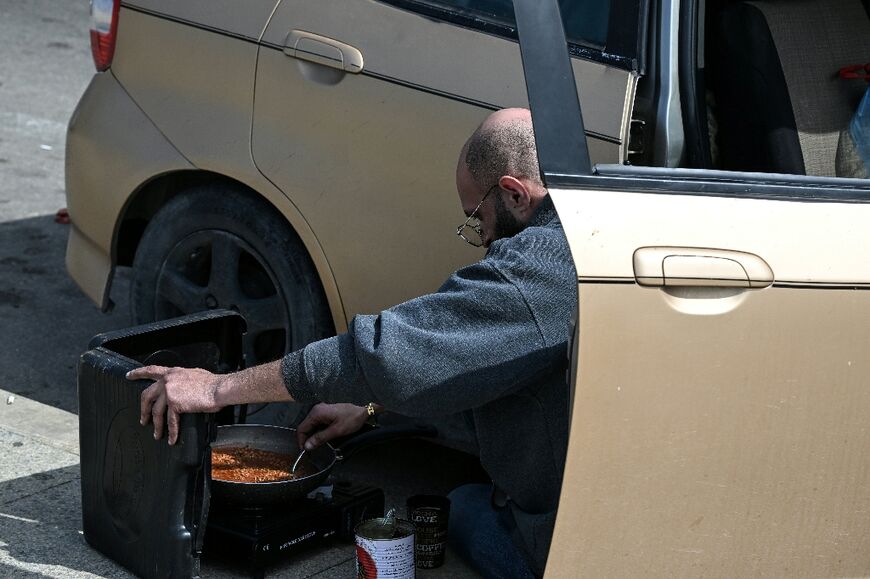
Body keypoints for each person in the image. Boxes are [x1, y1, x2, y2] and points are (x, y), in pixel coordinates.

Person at [128, 107, 577, 578]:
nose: (482, 236)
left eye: (477, 218)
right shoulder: (589, 226)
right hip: (587, 500)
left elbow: (388, 354)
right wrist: (369, 407)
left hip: (564, 545)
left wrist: (216, 390)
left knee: (465, 506)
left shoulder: (536, 274)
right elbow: (480, 365)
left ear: (513, 192)